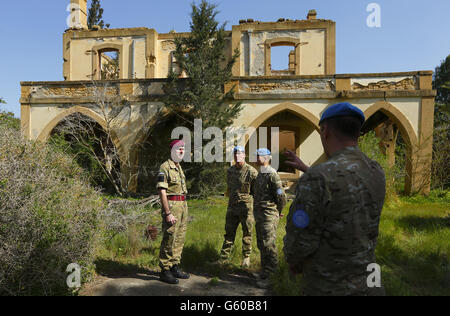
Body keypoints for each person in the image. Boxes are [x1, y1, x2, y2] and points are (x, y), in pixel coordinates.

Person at [283, 102, 386, 296]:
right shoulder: (376, 171)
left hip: (330, 285)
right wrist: (308, 169)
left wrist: (293, 261)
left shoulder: (318, 178)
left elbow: (300, 239)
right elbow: (346, 183)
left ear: (325, 131)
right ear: (357, 132)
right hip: (371, 283)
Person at [218, 146, 258, 268]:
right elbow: (229, 188)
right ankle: (223, 259)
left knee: (247, 233)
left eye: (239, 153)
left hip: (246, 208)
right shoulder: (230, 171)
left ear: (244, 155)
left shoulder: (252, 172)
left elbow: (256, 192)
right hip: (232, 207)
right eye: (235, 153)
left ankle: (246, 258)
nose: (237, 156)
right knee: (229, 233)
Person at [156, 139, 190, 284]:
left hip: (182, 205)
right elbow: (162, 192)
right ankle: (165, 270)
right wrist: (168, 212)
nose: (181, 151)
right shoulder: (165, 167)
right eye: (178, 148)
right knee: (169, 237)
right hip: (172, 205)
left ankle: (174, 266)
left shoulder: (179, 167)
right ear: (172, 151)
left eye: (183, 148)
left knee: (180, 237)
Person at [253, 148, 287, 287]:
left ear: (267, 158)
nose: (256, 158)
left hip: (269, 214)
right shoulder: (260, 173)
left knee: (269, 244)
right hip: (260, 214)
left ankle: (272, 276)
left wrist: (278, 210)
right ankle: (264, 272)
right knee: (261, 243)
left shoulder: (273, 174)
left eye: (259, 156)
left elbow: (281, 196)